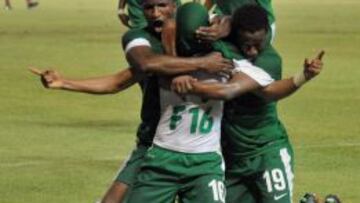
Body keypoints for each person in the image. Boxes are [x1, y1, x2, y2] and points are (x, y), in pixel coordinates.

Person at [30, 1, 233, 203]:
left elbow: (237, 23)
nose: (155, 13)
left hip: (202, 147)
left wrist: (224, 25)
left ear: (175, 5)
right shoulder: (140, 39)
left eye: (162, 5)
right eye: (148, 7)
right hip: (155, 143)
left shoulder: (202, 34)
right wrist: (64, 82)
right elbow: (130, 73)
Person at [171, 4, 324, 203]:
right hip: (231, 156)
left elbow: (232, 91)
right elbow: (191, 21)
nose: (252, 51)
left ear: (268, 34)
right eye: (246, 44)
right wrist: (222, 22)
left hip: (266, 151)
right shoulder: (224, 46)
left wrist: (191, 86)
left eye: (257, 44)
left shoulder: (269, 60)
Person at [117, 0, 181, 29]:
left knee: (174, 30)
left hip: (167, 3)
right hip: (138, 6)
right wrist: (120, 10)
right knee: (142, 32)